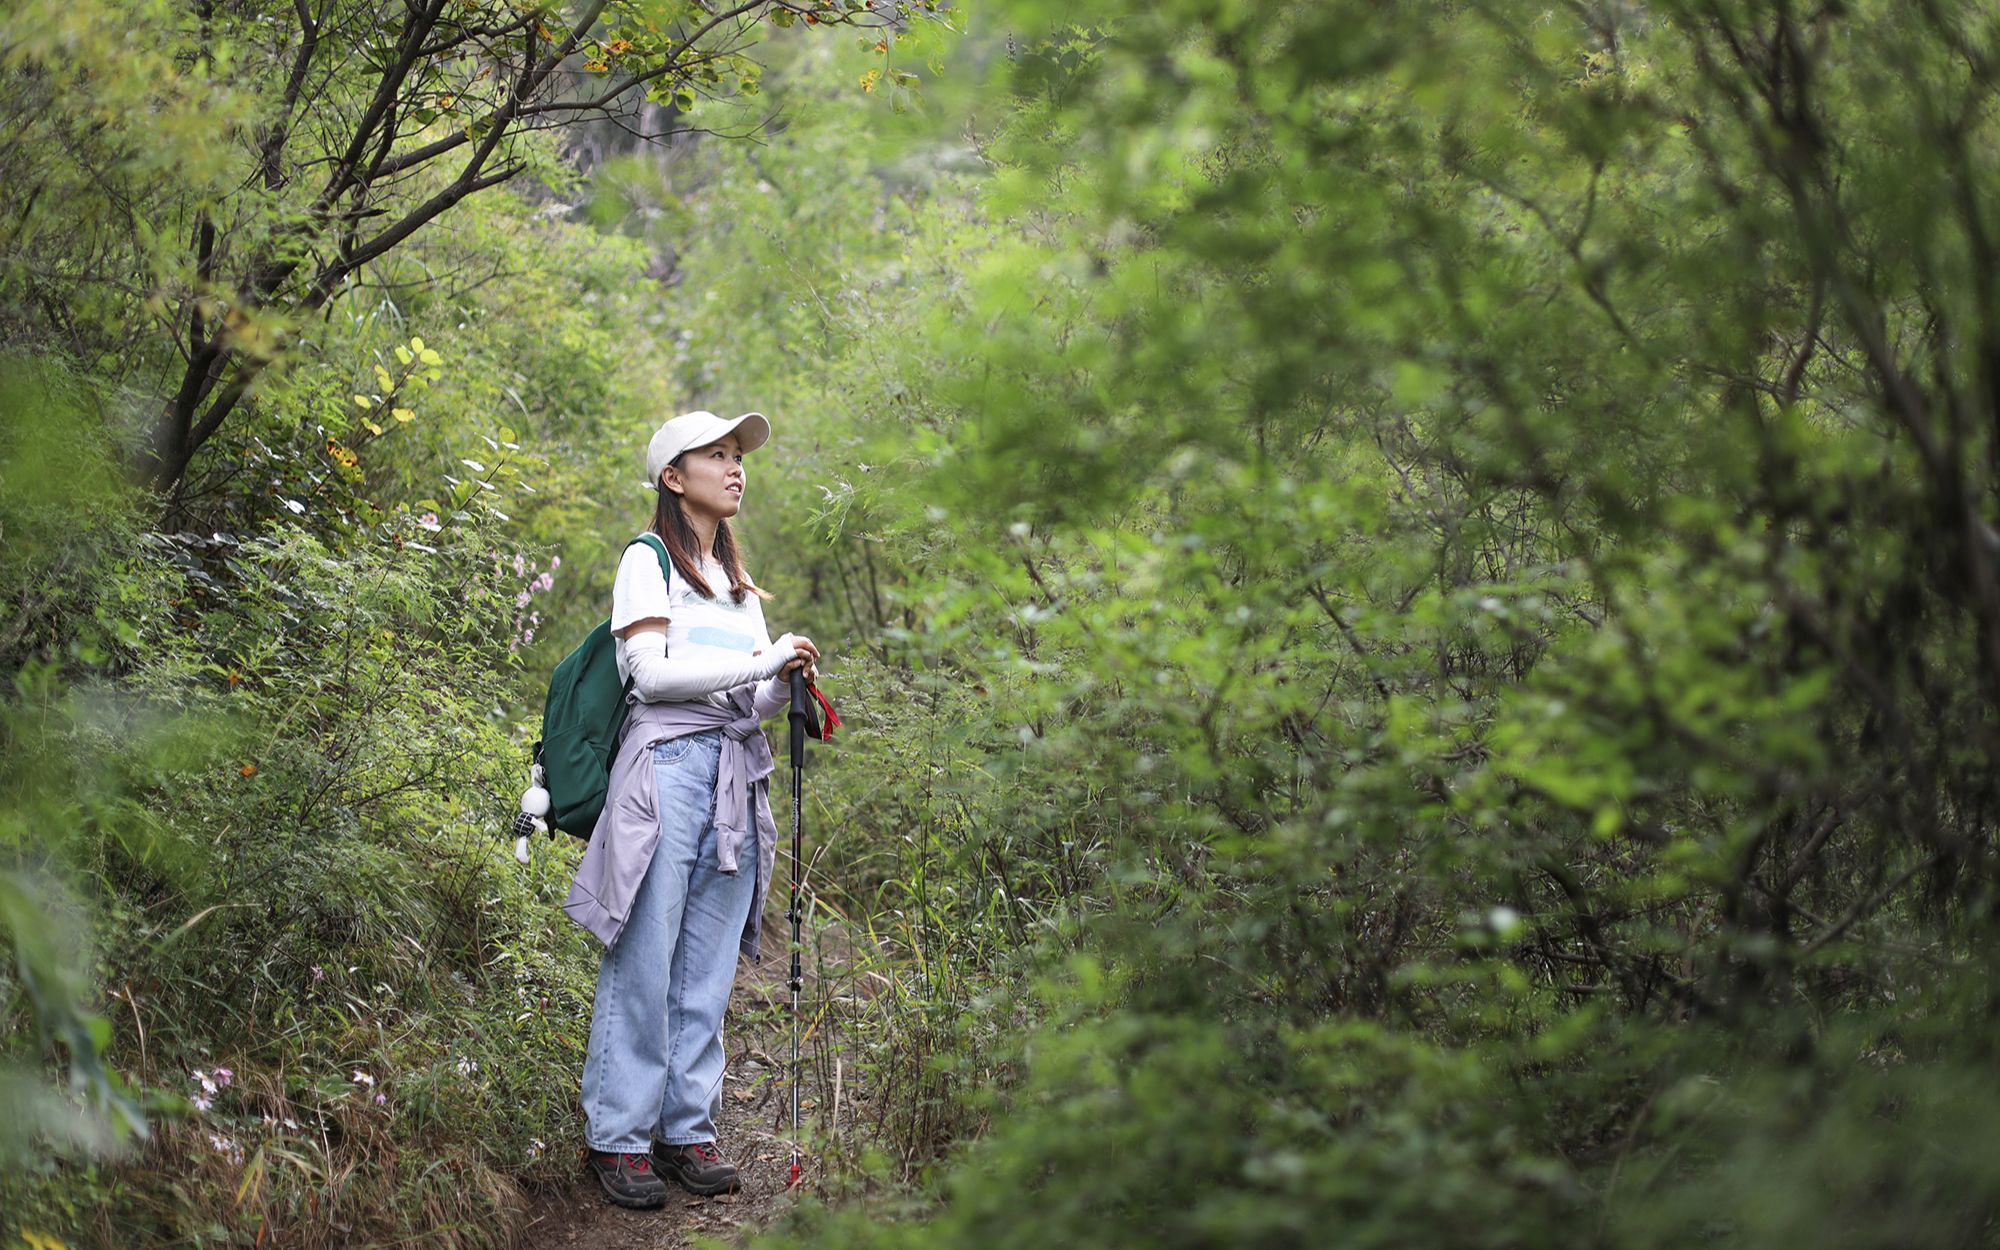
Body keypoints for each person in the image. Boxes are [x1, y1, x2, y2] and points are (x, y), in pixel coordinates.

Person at [562, 409, 820, 1208]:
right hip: (665, 769)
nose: (736, 467)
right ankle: (619, 1138)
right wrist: (757, 663)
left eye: (739, 455)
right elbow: (648, 673)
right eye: (717, 454)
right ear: (674, 477)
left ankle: (685, 1126)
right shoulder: (647, 562)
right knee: (645, 952)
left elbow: (756, 697)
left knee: (706, 964)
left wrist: (781, 680)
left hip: (734, 774)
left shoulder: (741, 588)